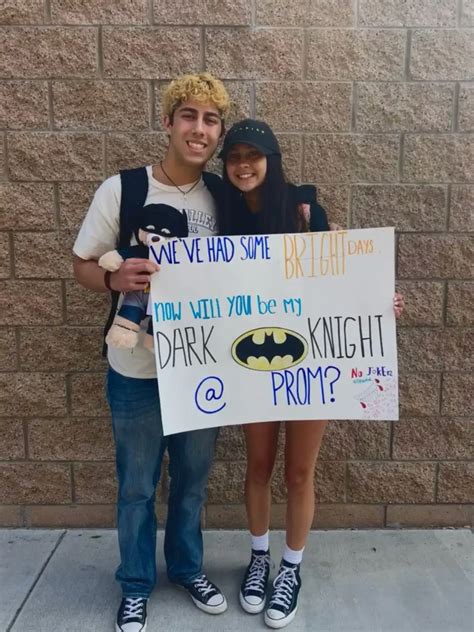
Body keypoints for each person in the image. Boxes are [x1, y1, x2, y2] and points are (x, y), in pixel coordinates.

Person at [218, 119, 405, 629]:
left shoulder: (303, 209)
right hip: (253, 361)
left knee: (299, 473)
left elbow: (341, 273)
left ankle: (291, 568)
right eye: (234, 156)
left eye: (253, 155)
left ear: (271, 160)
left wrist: (378, 300)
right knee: (258, 466)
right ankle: (259, 559)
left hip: (311, 363)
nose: (243, 165)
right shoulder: (222, 212)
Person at [73, 73, 230, 632]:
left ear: (219, 133)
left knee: (192, 483)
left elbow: (271, 260)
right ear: (167, 122)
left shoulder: (225, 196)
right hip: (135, 369)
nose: (199, 128)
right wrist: (113, 281)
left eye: (211, 119)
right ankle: (136, 585)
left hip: (202, 369)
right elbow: (82, 264)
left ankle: (186, 569)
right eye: (189, 115)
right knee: (137, 487)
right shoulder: (123, 190)